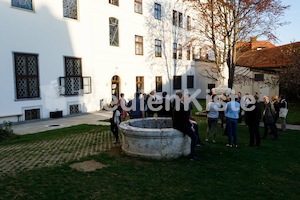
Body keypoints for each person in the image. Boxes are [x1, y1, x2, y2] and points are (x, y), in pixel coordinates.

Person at [172, 90, 200, 161]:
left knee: (194, 130)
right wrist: (191, 126)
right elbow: (185, 120)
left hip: (177, 124)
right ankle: (192, 156)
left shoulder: (178, 105)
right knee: (194, 137)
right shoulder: (183, 107)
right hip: (181, 126)